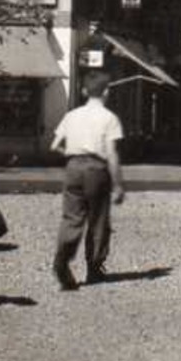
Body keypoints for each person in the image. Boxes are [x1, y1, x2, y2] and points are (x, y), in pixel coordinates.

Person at [50, 70, 126, 290]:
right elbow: (112, 153)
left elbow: (54, 146)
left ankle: (62, 259)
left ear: (84, 91)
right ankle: (94, 267)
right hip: (96, 168)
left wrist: (72, 154)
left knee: (71, 217)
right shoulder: (109, 118)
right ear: (107, 92)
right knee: (98, 219)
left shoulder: (71, 115)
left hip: (73, 166)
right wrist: (118, 184)